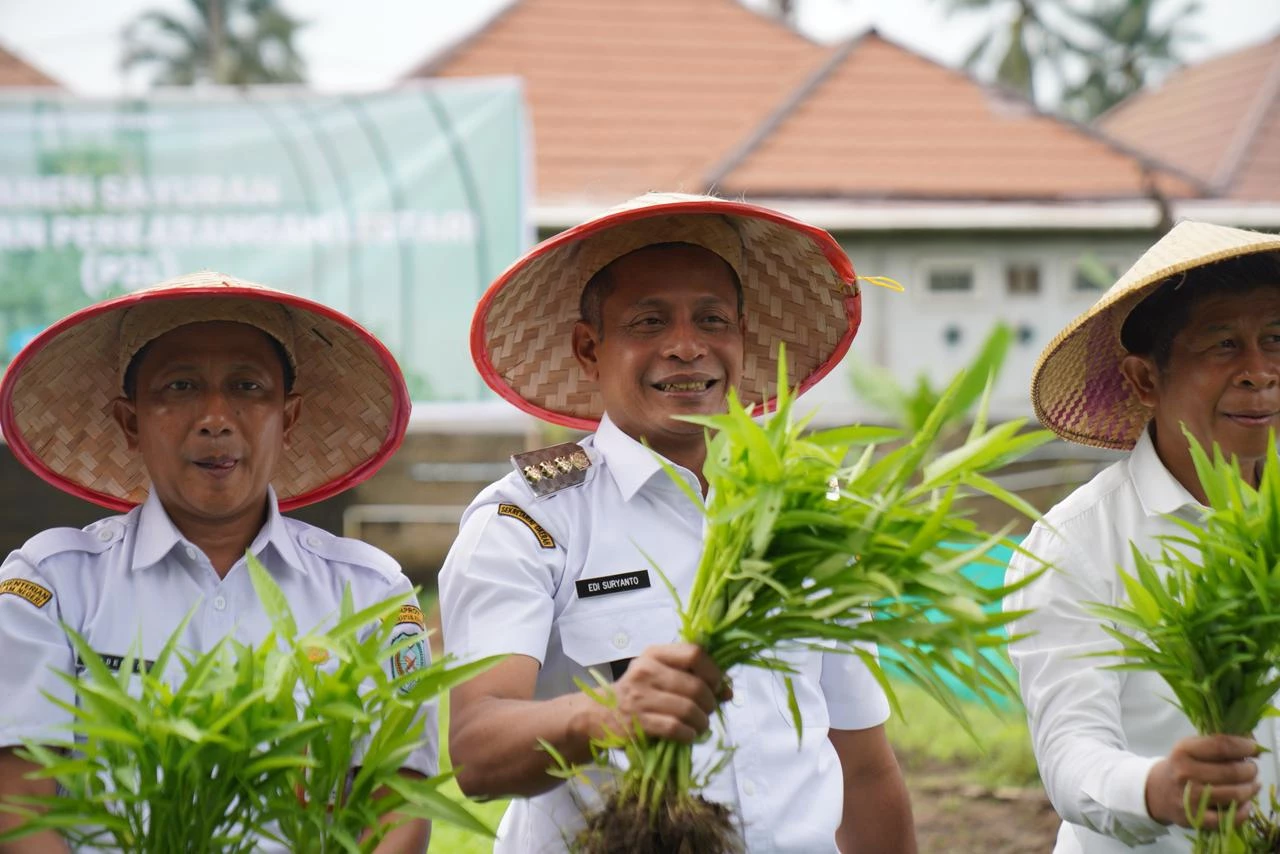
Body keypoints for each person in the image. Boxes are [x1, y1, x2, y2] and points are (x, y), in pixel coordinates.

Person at [440, 193, 915, 853]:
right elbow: (476, 751)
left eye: (712, 319)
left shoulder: (808, 519)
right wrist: (606, 715)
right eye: (648, 321)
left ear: (742, 342)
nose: (687, 347)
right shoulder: (529, 520)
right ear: (588, 349)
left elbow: (864, 765)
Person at [0, 272, 432, 854]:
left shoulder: (370, 595)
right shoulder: (50, 588)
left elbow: (399, 811)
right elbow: (20, 809)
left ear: (290, 417)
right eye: (179, 386)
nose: (215, 417)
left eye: (248, 386)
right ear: (130, 422)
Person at [1006, 221, 1280, 853]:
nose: (1259, 373)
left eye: (1275, 339)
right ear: (1144, 381)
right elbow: (1071, 752)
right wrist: (1157, 788)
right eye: (1223, 345)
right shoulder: (1074, 544)